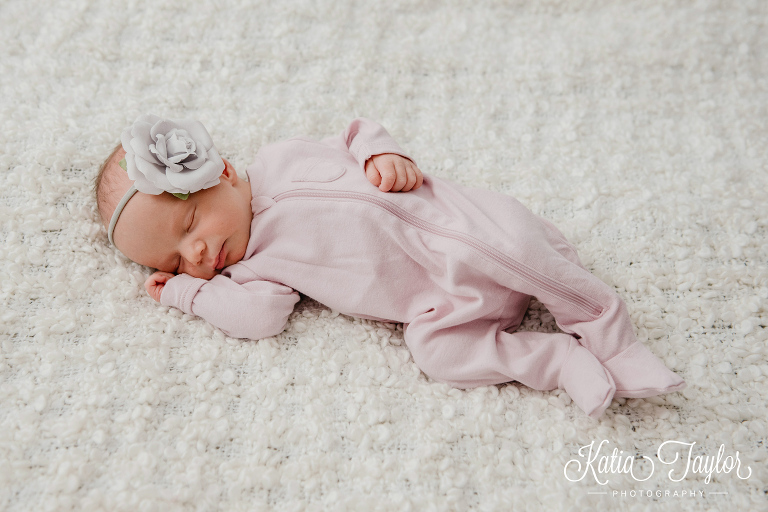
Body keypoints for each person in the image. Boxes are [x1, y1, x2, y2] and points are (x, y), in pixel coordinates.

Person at [95, 114, 686, 419]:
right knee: (439, 356)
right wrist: (186, 295)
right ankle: (557, 361)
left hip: (469, 231)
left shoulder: (280, 157)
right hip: (439, 305)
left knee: (508, 252)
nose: (196, 255)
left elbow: (353, 130)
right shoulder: (254, 271)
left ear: (218, 172)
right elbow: (258, 319)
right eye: (176, 259)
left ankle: (608, 329)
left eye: (190, 224)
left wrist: (381, 153)